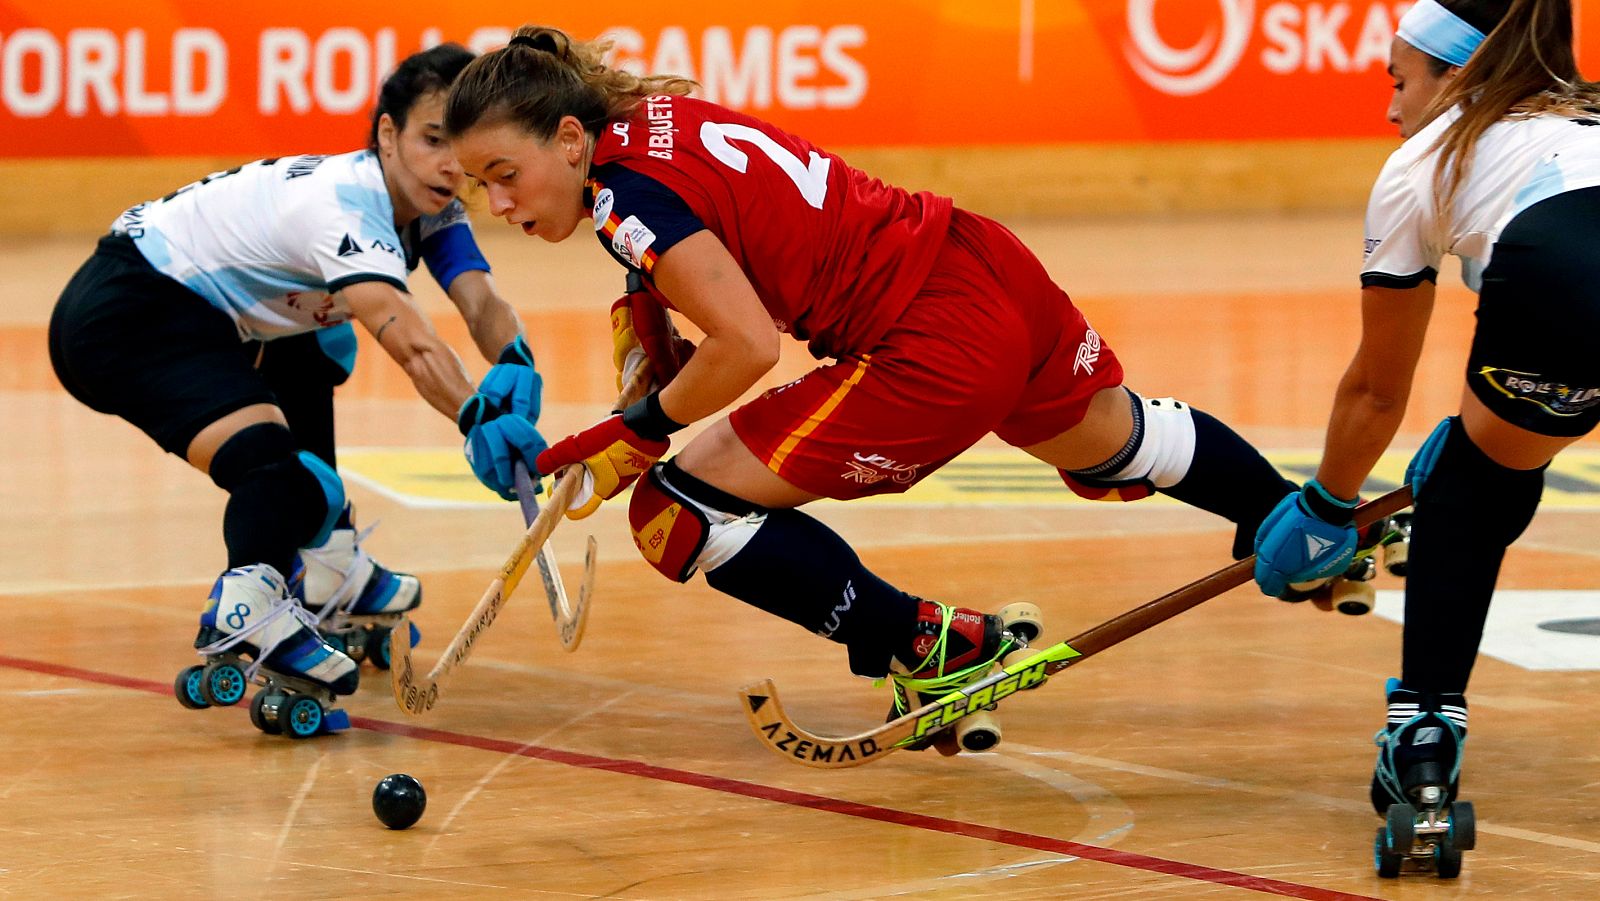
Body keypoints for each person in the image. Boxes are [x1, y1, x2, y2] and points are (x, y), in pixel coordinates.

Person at [442, 25, 1304, 753]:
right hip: (980, 262)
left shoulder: (625, 196)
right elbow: (708, 232)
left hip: (923, 347)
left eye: (505, 174)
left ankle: (933, 646)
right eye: (480, 185)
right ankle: (1298, 518)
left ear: (565, 138)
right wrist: (644, 325)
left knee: (677, 512)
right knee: (1116, 437)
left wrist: (638, 427)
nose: (498, 203)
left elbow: (745, 345)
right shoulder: (642, 119)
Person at [47, 44, 548, 735]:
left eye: (459, 146)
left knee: (317, 343)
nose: (450, 166)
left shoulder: (426, 206)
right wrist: (475, 413)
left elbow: (479, 300)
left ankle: (327, 560)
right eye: (432, 141)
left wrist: (518, 361)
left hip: (188, 311)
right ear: (386, 135)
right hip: (130, 314)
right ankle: (249, 600)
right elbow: (405, 335)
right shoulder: (345, 206)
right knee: (281, 477)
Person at [1250, 0, 1599, 846]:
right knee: (1488, 456)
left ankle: (1425, 733)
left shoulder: (1421, 163)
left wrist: (1327, 509)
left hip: (1566, 278)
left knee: (1471, 481)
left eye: (1398, 80)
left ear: (1460, 76)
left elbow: (1377, 390)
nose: (1390, 106)